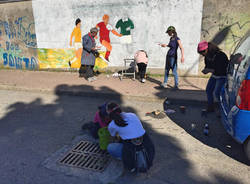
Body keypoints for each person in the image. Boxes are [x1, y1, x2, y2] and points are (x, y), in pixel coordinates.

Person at [106, 102, 155, 173]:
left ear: (108, 113)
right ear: (120, 109)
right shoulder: (132, 115)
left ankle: (125, 160)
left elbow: (112, 138)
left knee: (110, 147)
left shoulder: (112, 125)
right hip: (147, 147)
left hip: (131, 151)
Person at [197, 41, 229, 112]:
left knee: (217, 93)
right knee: (208, 90)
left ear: (207, 49)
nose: (202, 55)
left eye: (202, 52)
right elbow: (208, 66)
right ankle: (210, 107)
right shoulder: (207, 57)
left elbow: (221, 70)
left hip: (222, 76)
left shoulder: (220, 55)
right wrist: (206, 70)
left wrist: (210, 70)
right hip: (215, 76)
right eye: (201, 53)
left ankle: (223, 109)